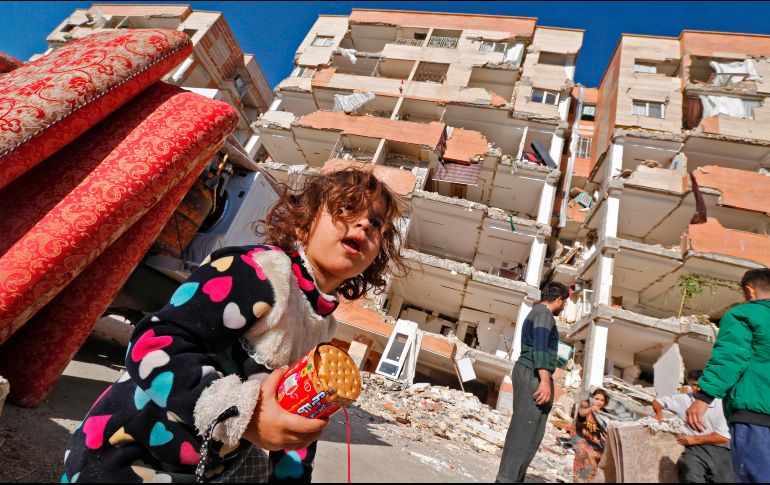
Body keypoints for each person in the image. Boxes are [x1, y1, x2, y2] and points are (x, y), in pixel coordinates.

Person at [61, 167, 407, 482]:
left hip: (198, 467)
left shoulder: (320, 324)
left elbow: (294, 420)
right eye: (346, 208)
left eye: (376, 224)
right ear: (303, 224)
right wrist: (243, 415)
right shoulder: (255, 272)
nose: (364, 224)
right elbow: (153, 344)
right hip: (127, 453)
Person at [686, 268, 770, 483]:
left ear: (750, 291)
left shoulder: (744, 315)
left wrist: (704, 397)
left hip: (755, 415)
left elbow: (731, 357)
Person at [496, 282, 570, 483]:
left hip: (531, 372)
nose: (564, 307)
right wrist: (544, 380)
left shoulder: (538, 313)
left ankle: (513, 478)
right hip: (533, 374)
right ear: (558, 300)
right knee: (524, 431)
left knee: (531, 432)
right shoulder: (544, 315)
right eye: (565, 302)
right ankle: (506, 479)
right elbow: (539, 348)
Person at [653, 370, 734, 483]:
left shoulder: (720, 403)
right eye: (695, 385)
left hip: (721, 451)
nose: (698, 388)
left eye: (702, 385)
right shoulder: (683, 399)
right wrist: (659, 415)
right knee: (690, 478)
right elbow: (657, 402)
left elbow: (724, 437)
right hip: (693, 451)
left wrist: (694, 439)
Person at [571, 389, 609, 483]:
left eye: (602, 400)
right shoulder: (586, 404)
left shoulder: (603, 413)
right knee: (586, 455)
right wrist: (590, 409)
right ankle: (579, 480)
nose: (599, 402)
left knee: (600, 457)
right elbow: (581, 413)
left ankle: (588, 480)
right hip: (580, 437)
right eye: (597, 399)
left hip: (593, 440)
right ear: (592, 398)